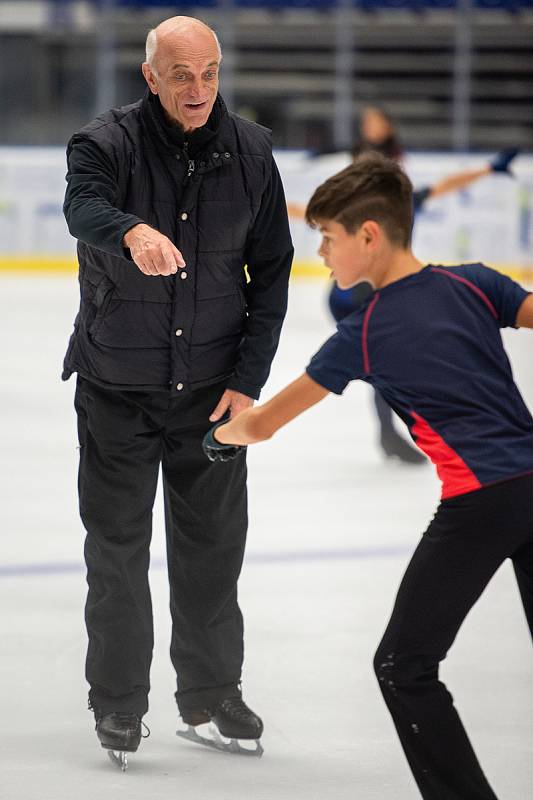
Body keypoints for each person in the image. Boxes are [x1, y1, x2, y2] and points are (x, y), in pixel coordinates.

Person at [203, 152, 533, 799]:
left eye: (326, 238)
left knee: (401, 666)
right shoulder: (473, 282)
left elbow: (264, 423)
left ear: (368, 235)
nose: (322, 254)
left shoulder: (364, 331)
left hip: (479, 505)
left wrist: (217, 435)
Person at [62, 15, 293, 763]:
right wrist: (130, 231)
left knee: (213, 552)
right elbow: (82, 208)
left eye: (210, 73)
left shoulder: (252, 152)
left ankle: (210, 690)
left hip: (213, 398)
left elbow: (274, 272)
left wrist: (248, 382)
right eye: (182, 74)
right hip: (116, 389)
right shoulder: (104, 144)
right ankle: (120, 705)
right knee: (118, 553)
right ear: (151, 76)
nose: (199, 90)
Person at [288, 138, 519, 463]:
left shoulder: (386, 201)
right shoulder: (364, 205)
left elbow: (445, 186)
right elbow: (299, 211)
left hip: (351, 296)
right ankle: (395, 432)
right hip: (352, 295)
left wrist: (488, 168)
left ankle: (393, 431)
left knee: (385, 357)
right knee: (386, 356)